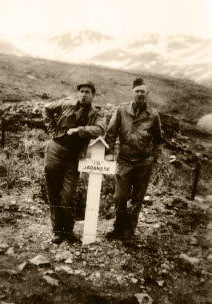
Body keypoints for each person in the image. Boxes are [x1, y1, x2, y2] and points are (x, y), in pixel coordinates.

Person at [43, 81, 106, 244]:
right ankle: (58, 231)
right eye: (82, 91)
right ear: (78, 93)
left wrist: (80, 130)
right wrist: (52, 130)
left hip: (74, 156)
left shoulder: (97, 112)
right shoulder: (66, 104)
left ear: (93, 95)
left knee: (67, 195)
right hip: (56, 150)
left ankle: (68, 230)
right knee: (53, 192)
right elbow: (47, 108)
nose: (84, 94)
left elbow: (100, 130)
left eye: (88, 92)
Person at [105, 78, 162, 245]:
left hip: (144, 162)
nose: (139, 94)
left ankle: (129, 233)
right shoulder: (122, 110)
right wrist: (109, 153)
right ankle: (118, 228)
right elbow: (111, 133)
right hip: (124, 160)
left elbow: (158, 139)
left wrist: (154, 158)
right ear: (132, 92)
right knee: (120, 196)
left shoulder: (153, 115)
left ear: (147, 94)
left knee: (137, 198)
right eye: (137, 91)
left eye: (142, 91)